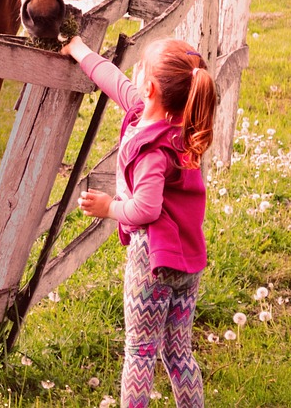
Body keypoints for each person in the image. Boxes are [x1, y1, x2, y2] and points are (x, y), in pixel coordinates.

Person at [61, 34, 216, 408]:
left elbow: (146, 209)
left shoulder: (153, 150)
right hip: (188, 259)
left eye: (141, 69)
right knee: (178, 351)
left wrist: (109, 207)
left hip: (153, 261)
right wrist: (78, 48)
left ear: (150, 87)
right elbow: (114, 80)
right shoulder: (172, 126)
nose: (134, 76)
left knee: (140, 349)